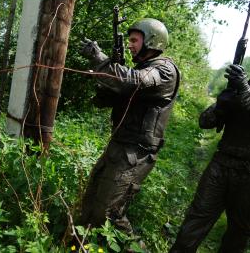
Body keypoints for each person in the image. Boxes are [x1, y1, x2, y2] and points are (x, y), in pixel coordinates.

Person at [78, 18, 180, 233]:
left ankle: (132, 247)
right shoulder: (140, 69)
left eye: (134, 40)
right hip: (118, 147)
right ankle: (81, 243)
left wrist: (100, 59)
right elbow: (104, 101)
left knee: (110, 214)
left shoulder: (164, 70)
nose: (130, 44)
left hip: (136, 154)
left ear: (152, 40)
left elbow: (134, 81)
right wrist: (105, 81)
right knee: (90, 203)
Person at [170, 64, 250, 252]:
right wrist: (223, 103)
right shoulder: (240, 91)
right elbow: (205, 122)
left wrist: (244, 91)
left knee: (238, 231)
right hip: (220, 166)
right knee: (196, 219)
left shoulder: (244, 91)